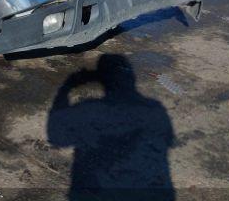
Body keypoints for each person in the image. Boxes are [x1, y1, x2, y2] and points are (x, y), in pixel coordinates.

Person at [47, 54, 175, 201]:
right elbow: (167, 140)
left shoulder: (89, 109)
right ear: (130, 78)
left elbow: (56, 137)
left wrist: (66, 86)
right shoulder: (154, 108)